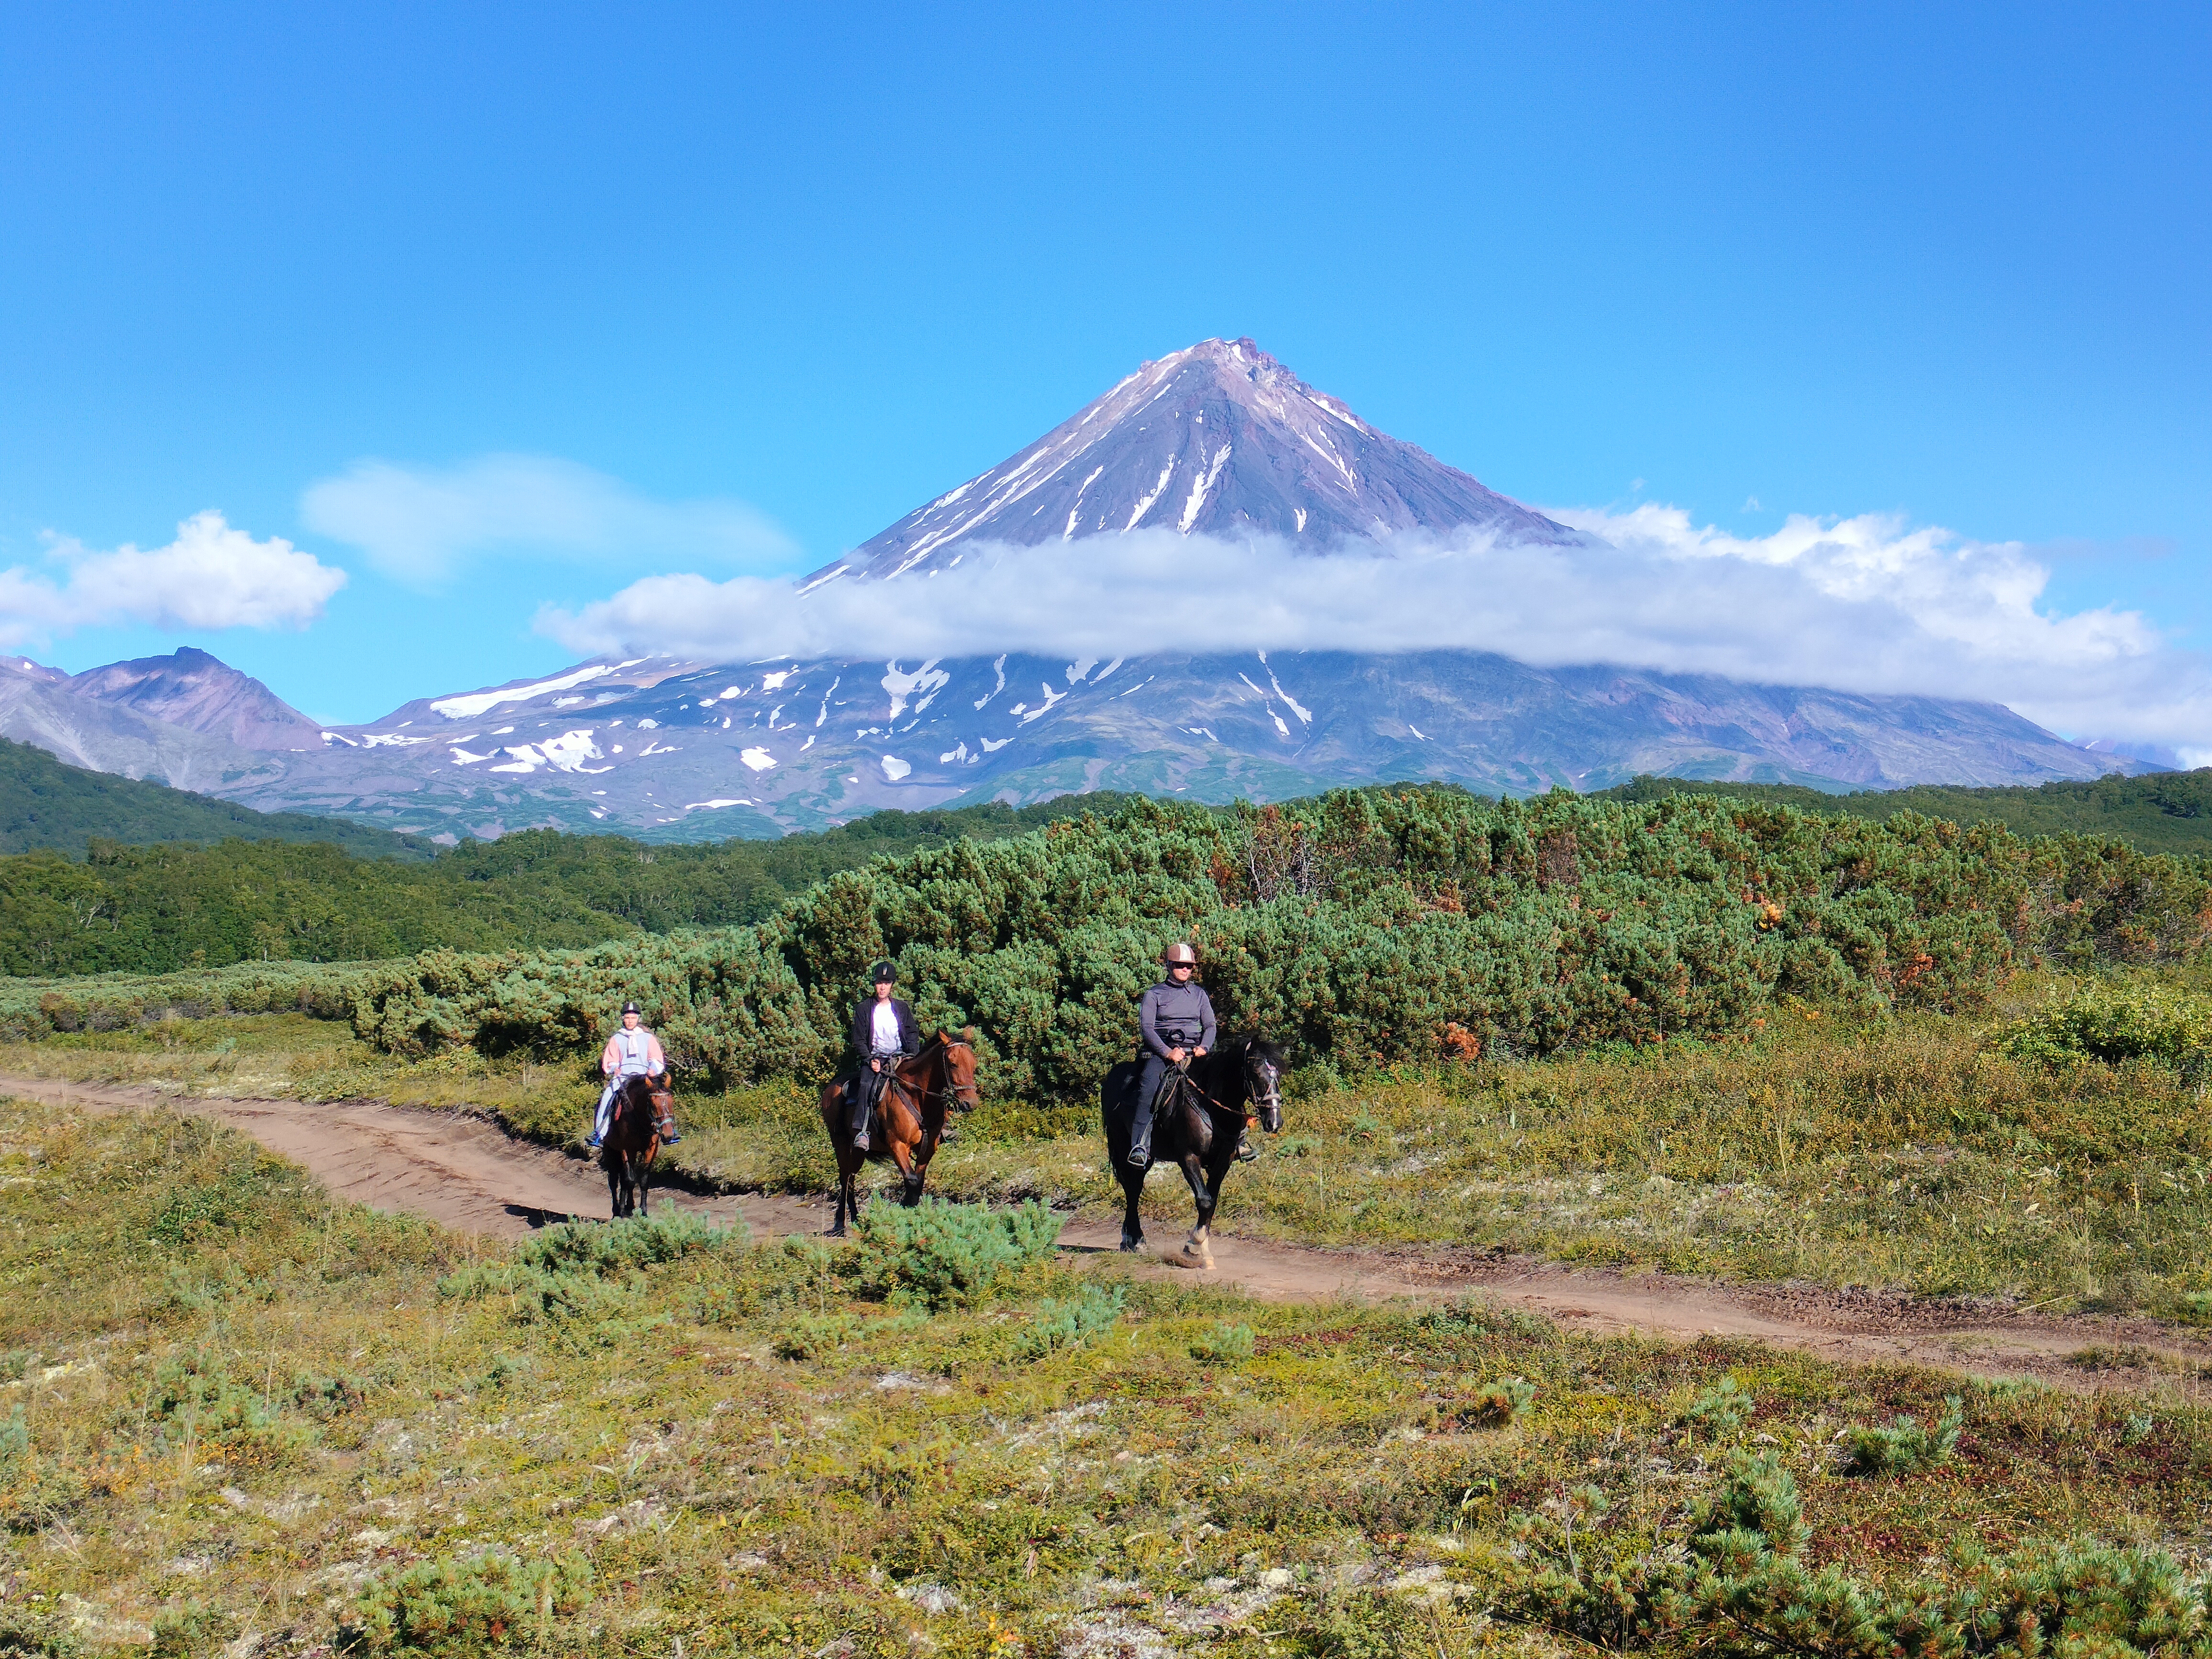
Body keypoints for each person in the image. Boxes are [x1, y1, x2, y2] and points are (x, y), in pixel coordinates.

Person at [1127, 941, 1217, 1169]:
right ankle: (1140, 1146)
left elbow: (1210, 1025)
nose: (1186, 970)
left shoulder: (1199, 995)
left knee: (1223, 1083)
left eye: (1189, 966)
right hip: (1162, 1052)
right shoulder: (1154, 995)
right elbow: (1147, 1029)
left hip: (1194, 1051)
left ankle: (1238, 1140)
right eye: (1180, 965)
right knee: (1148, 1089)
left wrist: (1204, 1047)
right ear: (1169, 965)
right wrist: (1168, 1052)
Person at [848, 961, 919, 1152]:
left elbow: (912, 1033)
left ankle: (940, 1126)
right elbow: (859, 1040)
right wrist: (870, 1060)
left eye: (886, 983)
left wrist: (912, 1057)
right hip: (876, 1059)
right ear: (874, 984)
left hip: (901, 1058)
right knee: (865, 1085)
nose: (882, 987)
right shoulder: (864, 1009)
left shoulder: (902, 1008)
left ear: (892, 985)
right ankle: (862, 1131)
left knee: (922, 1083)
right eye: (880, 982)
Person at [587, 1001, 679, 1148]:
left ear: (638, 1019)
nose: (630, 1021)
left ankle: (670, 1131)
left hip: (644, 1077)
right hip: (623, 1076)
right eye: (627, 1018)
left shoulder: (648, 1038)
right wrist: (614, 1068)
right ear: (623, 1019)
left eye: (633, 1018)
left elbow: (656, 1058)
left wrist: (654, 1069)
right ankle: (599, 1133)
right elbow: (610, 1060)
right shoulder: (617, 1038)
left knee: (663, 1098)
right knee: (607, 1098)